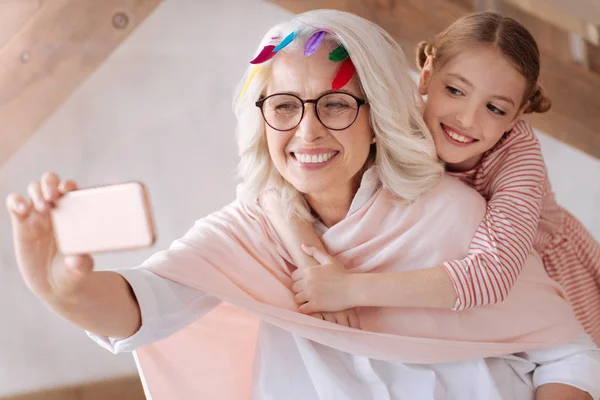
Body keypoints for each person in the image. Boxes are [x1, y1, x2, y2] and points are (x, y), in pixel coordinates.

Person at [6, 9, 599, 400]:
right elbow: (144, 305)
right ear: (261, 121)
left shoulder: (458, 213)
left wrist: (346, 286)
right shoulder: (251, 231)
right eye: (285, 106)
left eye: (336, 105)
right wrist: (59, 288)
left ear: (379, 117)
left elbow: (568, 357)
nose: (308, 132)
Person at [269, 12, 600, 347]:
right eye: (455, 90)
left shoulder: (519, 158)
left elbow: (493, 274)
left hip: (542, 271)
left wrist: (348, 288)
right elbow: (270, 184)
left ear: (517, 114)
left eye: (495, 109)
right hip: (449, 274)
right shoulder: (397, 118)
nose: (467, 119)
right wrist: (306, 258)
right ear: (426, 75)